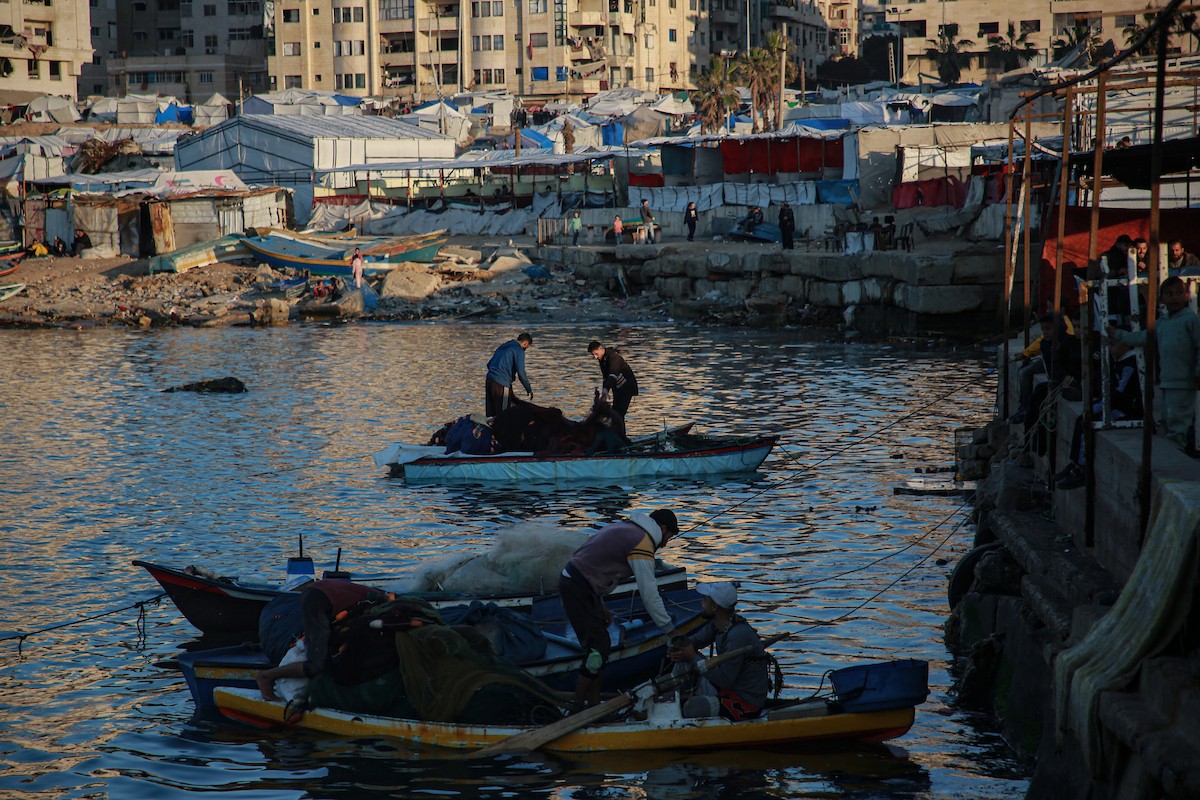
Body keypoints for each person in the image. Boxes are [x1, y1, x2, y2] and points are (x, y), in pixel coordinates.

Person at [558, 509, 682, 705]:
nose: (665, 544)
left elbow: (594, 565)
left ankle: (594, 701)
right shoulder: (642, 543)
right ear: (663, 528)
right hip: (576, 586)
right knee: (598, 648)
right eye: (668, 537)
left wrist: (601, 605)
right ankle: (577, 704)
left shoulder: (629, 528)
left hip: (580, 583)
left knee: (602, 646)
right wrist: (670, 630)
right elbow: (649, 595)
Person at [255, 578, 386, 703]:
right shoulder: (386, 607)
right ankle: (266, 677)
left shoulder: (387, 607)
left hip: (327, 596)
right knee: (317, 664)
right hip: (318, 598)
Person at [1108, 277, 1200, 451]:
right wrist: (1117, 333)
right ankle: (1172, 458)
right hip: (1167, 381)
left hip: (1184, 382)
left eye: (1179, 293)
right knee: (1166, 422)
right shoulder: (1162, 323)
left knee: (1177, 426)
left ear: (1187, 296)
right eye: (1169, 294)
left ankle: (1175, 464)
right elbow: (1140, 338)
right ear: (1162, 299)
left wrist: (1198, 371)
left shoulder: (1190, 320)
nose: (1174, 298)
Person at [667, 581, 769, 720]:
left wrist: (692, 656)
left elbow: (724, 680)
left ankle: (674, 710)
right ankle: (671, 704)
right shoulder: (718, 625)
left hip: (744, 703)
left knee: (693, 707)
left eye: (705, 600)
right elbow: (694, 641)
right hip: (726, 690)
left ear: (714, 607)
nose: (701, 603)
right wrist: (678, 646)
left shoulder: (737, 635)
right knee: (683, 661)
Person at [1054, 340, 1142, 490]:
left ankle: (1082, 468)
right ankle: (1074, 463)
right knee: (1081, 418)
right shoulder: (1120, 362)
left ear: (1126, 345)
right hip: (1113, 403)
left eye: (1114, 345)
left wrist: (1102, 404)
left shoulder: (1130, 364)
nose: (1110, 348)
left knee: (1087, 422)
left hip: (1125, 410)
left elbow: (1120, 393)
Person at [485, 332, 534, 417]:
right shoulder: (518, 350)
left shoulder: (503, 346)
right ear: (526, 343)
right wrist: (528, 388)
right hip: (502, 384)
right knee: (504, 415)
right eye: (527, 347)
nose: (526, 349)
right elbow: (521, 373)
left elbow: (489, 364)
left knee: (491, 415)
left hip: (490, 380)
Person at [587, 340, 639, 417]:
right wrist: (604, 390)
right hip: (617, 387)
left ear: (601, 349)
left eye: (596, 354)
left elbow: (613, 374)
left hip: (626, 387)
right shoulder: (602, 359)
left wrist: (606, 389)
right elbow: (605, 377)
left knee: (619, 413)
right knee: (615, 411)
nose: (595, 357)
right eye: (593, 355)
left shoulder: (614, 357)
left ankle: (618, 428)